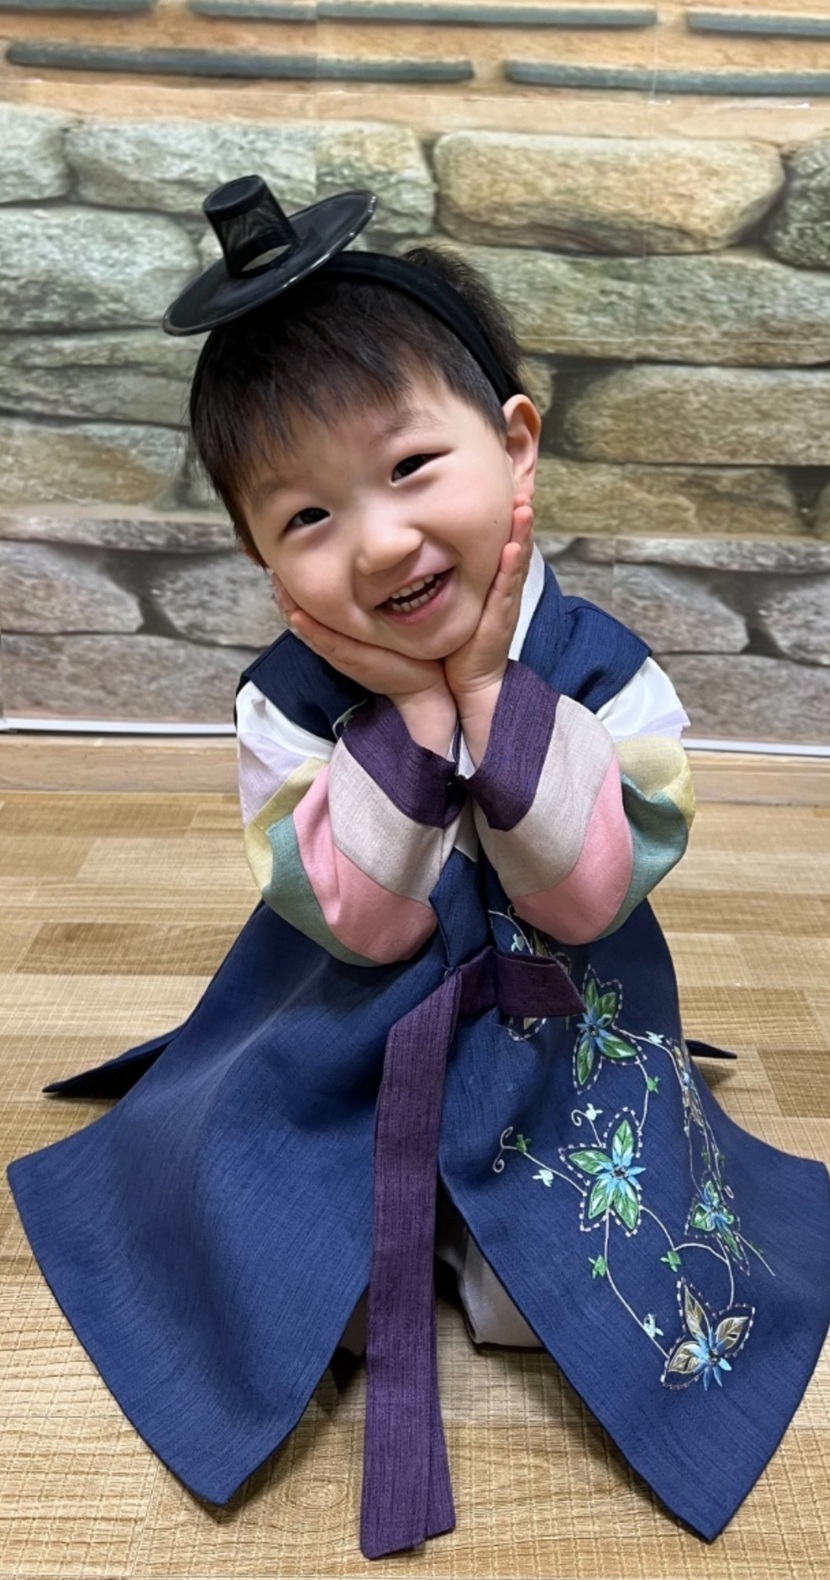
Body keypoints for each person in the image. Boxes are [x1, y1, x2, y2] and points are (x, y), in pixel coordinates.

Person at [8, 178, 829, 1563]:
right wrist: (411, 717)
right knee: (283, 1276)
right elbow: (368, 928)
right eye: (305, 518)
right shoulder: (283, 705)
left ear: (514, 445)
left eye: (407, 469)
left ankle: (479, 1235)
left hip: (561, 1041)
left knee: (562, 1293)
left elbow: (583, 900)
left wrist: (494, 698)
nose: (380, 542)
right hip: (339, 1030)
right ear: (263, 561)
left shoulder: (607, 676)